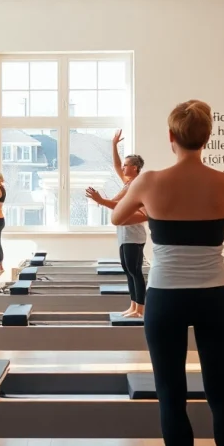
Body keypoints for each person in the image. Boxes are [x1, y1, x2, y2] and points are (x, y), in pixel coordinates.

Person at [111, 99, 224, 446]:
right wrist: (219, 220)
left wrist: (154, 214)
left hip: (166, 300)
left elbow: (117, 216)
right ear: (207, 137)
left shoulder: (149, 181)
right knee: (221, 394)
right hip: (215, 298)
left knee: (171, 395)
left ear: (171, 136)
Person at [85, 129, 148, 318]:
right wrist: (113, 145)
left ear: (135, 168)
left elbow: (121, 207)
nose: (123, 167)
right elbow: (116, 165)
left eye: (126, 165)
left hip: (134, 235)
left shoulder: (137, 185)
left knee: (135, 271)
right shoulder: (128, 182)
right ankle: (133, 306)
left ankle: (141, 309)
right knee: (128, 271)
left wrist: (101, 200)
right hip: (124, 234)